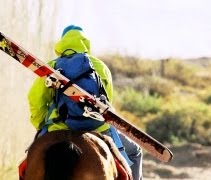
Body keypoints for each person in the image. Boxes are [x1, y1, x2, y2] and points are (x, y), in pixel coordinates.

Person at [27, 25, 143, 179]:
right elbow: (108, 99)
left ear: (62, 42)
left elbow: (35, 100)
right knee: (135, 152)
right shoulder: (100, 66)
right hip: (99, 127)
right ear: (85, 42)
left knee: (28, 163)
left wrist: (41, 124)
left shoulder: (52, 67)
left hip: (58, 125)